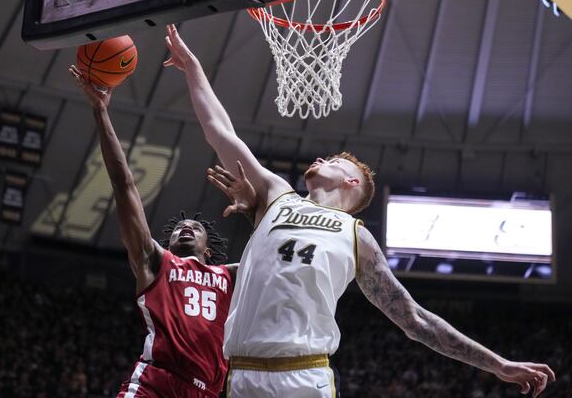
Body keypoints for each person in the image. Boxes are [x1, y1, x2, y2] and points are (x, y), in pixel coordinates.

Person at [162, 24, 556, 398]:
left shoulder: (357, 237)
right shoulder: (276, 196)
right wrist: (194, 69)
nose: (321, 158)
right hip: (240, 375)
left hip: (301, 377)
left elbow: (414, 320)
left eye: (334, 160)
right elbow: (220, 132)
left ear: (352, 183)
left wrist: (498, 365)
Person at [68, 65, 256, 398]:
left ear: (208, 250)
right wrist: (101, 112)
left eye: (195, 227)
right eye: (180, 226)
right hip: (156, 383)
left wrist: (255, 209)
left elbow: (280, 254)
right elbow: (124, 185)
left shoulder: (231, 276)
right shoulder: (156, 262)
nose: (186, 227)